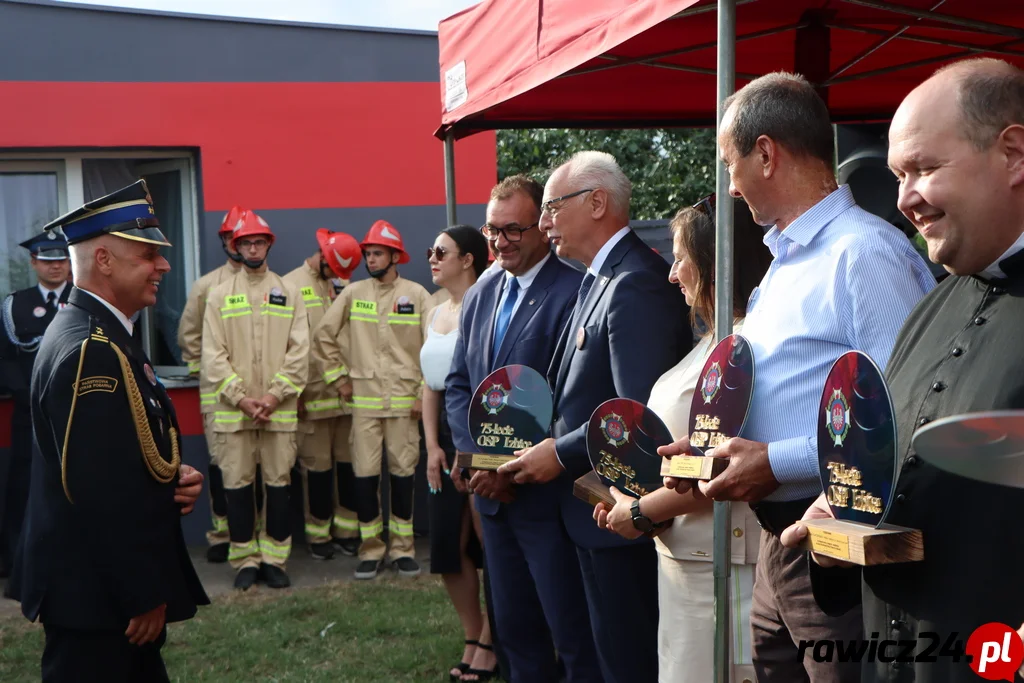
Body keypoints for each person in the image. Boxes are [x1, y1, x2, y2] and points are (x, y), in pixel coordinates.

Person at [657, 72, 936, 682]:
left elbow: (900, 415)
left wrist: (775, 461)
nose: (730, 186)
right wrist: (710, 453)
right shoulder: (787, 260)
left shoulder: (864, 254)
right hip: (780, 542)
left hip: (837, 545)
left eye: (731, 165)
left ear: (766, 153)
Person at [780, 56, 1024, 683]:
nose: (903, 198)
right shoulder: (931, 308)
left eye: (924, 168)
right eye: (897, 175)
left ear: (1014, 153)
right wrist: (840, 530)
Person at [496, 152, 692, 683]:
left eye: (553, 207)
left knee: (627, 659)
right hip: (591, 512)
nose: (543, 223)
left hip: (619, 512)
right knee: (604, 655)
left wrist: (558, 452)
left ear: (597, 202)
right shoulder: (599, 276)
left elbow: (637, 414)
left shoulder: (634, 282)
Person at [8, 179, 209, 681]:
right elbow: (95, 491)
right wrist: (139, 592)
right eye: (147, 254)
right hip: (101, 603)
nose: (163, 265)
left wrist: (165, 480)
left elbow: (112, 456)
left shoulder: (100, 330)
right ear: (103, 260)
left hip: (98, 596)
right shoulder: (91, 347)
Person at [593, 197, 770, 683]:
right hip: (685, 564)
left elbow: (724, 468)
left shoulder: (746, 346)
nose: (672, 275)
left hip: (723, 568)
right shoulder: (715, 339)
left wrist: (638, 511)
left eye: (680, 258)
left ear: (716, 261)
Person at [447, 174, 602, 683]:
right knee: (515, 636)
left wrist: (510, 469)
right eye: (493, 230)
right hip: (491, 501)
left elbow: (575, 397)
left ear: (542, 225)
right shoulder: (482, 291)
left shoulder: (576, 290)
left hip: (546, 499)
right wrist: (477, 462)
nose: (500, 242)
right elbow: (458, 385)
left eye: (513, 229)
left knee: (572, 633)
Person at [313, 220, 431, 580]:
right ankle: (371, 550)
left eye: (377, 253)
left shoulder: (417, 294)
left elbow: (433, 350)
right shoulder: (353, 293)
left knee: (402, 478)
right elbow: (323, 336)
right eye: (368, 254)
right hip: (364, 402)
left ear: (395, 256)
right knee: (364, 477)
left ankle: (402, 550)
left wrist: (422, 395)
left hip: (403, 404)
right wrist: (338, 378)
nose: (371, 259)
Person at [202, 209, 309, 590]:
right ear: (236, 247)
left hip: (277, 411)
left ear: (268, 245)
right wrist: (241, 397)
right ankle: (244, 559)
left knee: (279, 486)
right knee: (238, 487)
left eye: (258, 241)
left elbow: (300, 352)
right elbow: (212, 356)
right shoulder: (218, 296)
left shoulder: (288, 292)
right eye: (245, 242)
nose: (252, 247)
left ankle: (274, 559)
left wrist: (273, 395)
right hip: (235, 414)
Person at [420, 224, 493, 681]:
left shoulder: (485, 305)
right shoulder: (434, 312)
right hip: (441, 442)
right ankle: (474, 634)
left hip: (480, 438)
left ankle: (494, 639)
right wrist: (431, 446)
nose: (432, 258)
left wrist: (472, 450)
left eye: (441, 251)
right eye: (431, 251)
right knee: (449, 545)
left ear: (468, 259)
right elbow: (428, 385)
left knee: (490, 545)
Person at [283, 228, 362, 560]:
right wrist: (293, 394)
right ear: (322, 257)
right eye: (335, 271)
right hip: (311, 397)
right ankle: (318, 536)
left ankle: (347, 531)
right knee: (317, 471)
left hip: (346, 397)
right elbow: (285, 344)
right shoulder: (289, 286)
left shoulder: (340, 284)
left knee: (347, 467)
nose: (338, 278)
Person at [0, 231, 71, 578]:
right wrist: (27, 391)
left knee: (77, 485)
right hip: (29, 412)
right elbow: (6, 358)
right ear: (33, 263)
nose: (55, 265)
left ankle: (72, 564)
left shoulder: (84, 299)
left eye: (61, 259)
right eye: (47, 260)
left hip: (78, 412)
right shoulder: (16, 304)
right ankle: (19, 563)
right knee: (23, 487)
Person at [177, 205, 245, 564]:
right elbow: (189, 336)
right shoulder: (207, 286)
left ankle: (251, 532)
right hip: (219, 397)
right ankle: (222, 533)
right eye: (232, 237)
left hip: (255, 395)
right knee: (220, 467)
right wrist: (205, 371)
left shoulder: (269, 285)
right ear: (224, 240)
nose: (238, 244)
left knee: (255, 469)